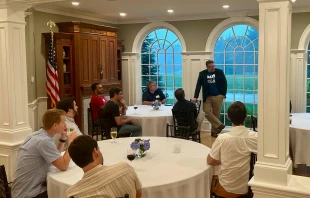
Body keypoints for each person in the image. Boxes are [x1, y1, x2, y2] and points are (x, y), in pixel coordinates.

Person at [12, 109, 78, 198]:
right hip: (30, 193)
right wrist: (71, 141)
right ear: (55, 125)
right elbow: (64, 166)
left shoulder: (36, 135)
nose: (65, 125)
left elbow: (54, 157)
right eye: (63, 122)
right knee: (70, 192)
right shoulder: (43, 141)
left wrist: (63, 138)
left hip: (21, 190)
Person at [207, 101, 257, 198]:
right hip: (245, 189)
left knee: (209, 180)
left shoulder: (222, 138)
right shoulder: (254, 137)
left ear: (228, 118)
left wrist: (222, 160)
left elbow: (210, 160)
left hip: (225, 188)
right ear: (245, 117)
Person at [65, 135, 142, 198]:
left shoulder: (73, 194)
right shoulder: (125, 169)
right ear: (95, 152)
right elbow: (138, 193)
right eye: (99, 149)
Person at [193, 60, 227, 137]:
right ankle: (219, 125)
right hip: (207, 97)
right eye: (211, 66)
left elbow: (224, 83)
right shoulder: (202, 74)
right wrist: (195, 96)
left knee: (216, 114)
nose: (213, 67)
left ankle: (214, 132)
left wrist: (223, 94)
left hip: (218, 96)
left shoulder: (219, 72)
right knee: (206, 111)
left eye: (213, 66)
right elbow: (198, 85)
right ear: (207, 67)